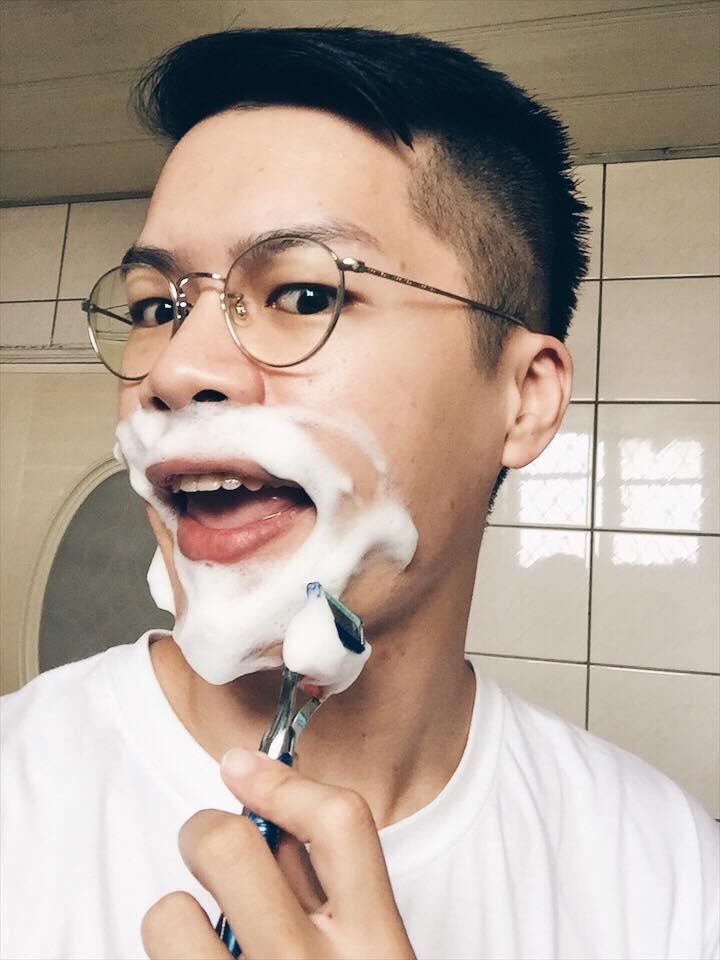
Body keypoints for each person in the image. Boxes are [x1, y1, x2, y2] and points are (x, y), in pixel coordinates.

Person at [1, 26, 717, 960]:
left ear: (524, 397)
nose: (174, 369)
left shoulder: (669, 880)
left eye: (303, 295)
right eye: (154, 306)